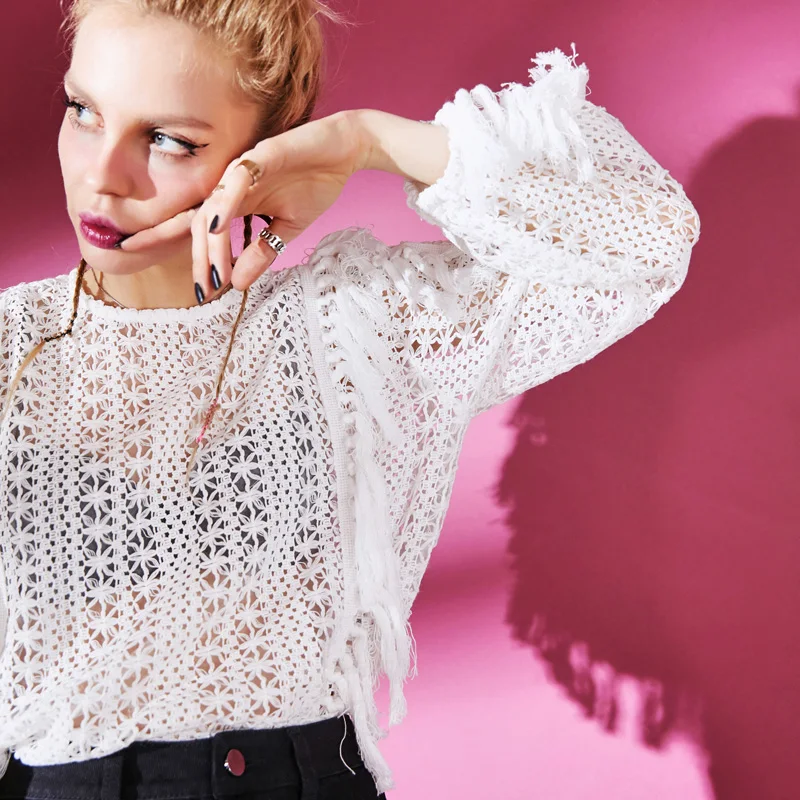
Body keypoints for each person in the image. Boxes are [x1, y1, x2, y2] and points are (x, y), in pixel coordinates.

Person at [0, 0, 701, 797]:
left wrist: (365, 140)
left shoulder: (351, 327)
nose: (102, 174)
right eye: (83, 111)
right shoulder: (9, 350)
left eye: (168, 140)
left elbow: (649, 242)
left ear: (261, 152)